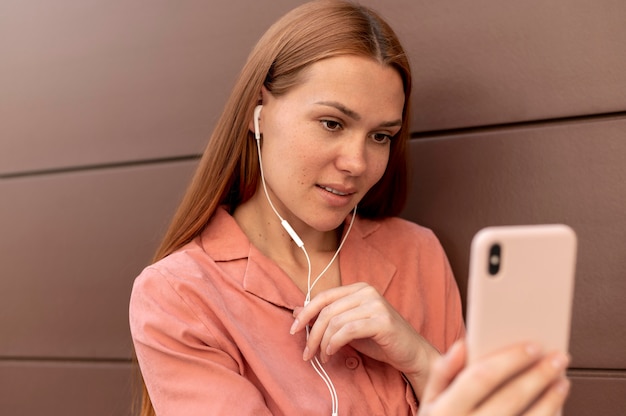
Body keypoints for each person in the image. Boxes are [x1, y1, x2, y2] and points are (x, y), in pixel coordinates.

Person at [129, 1, 571, 415]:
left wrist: (418, 357)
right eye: (332, 123)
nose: (357, 163)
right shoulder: (180, 295)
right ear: (257, 112)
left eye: (381, 136)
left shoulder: (417, 253)